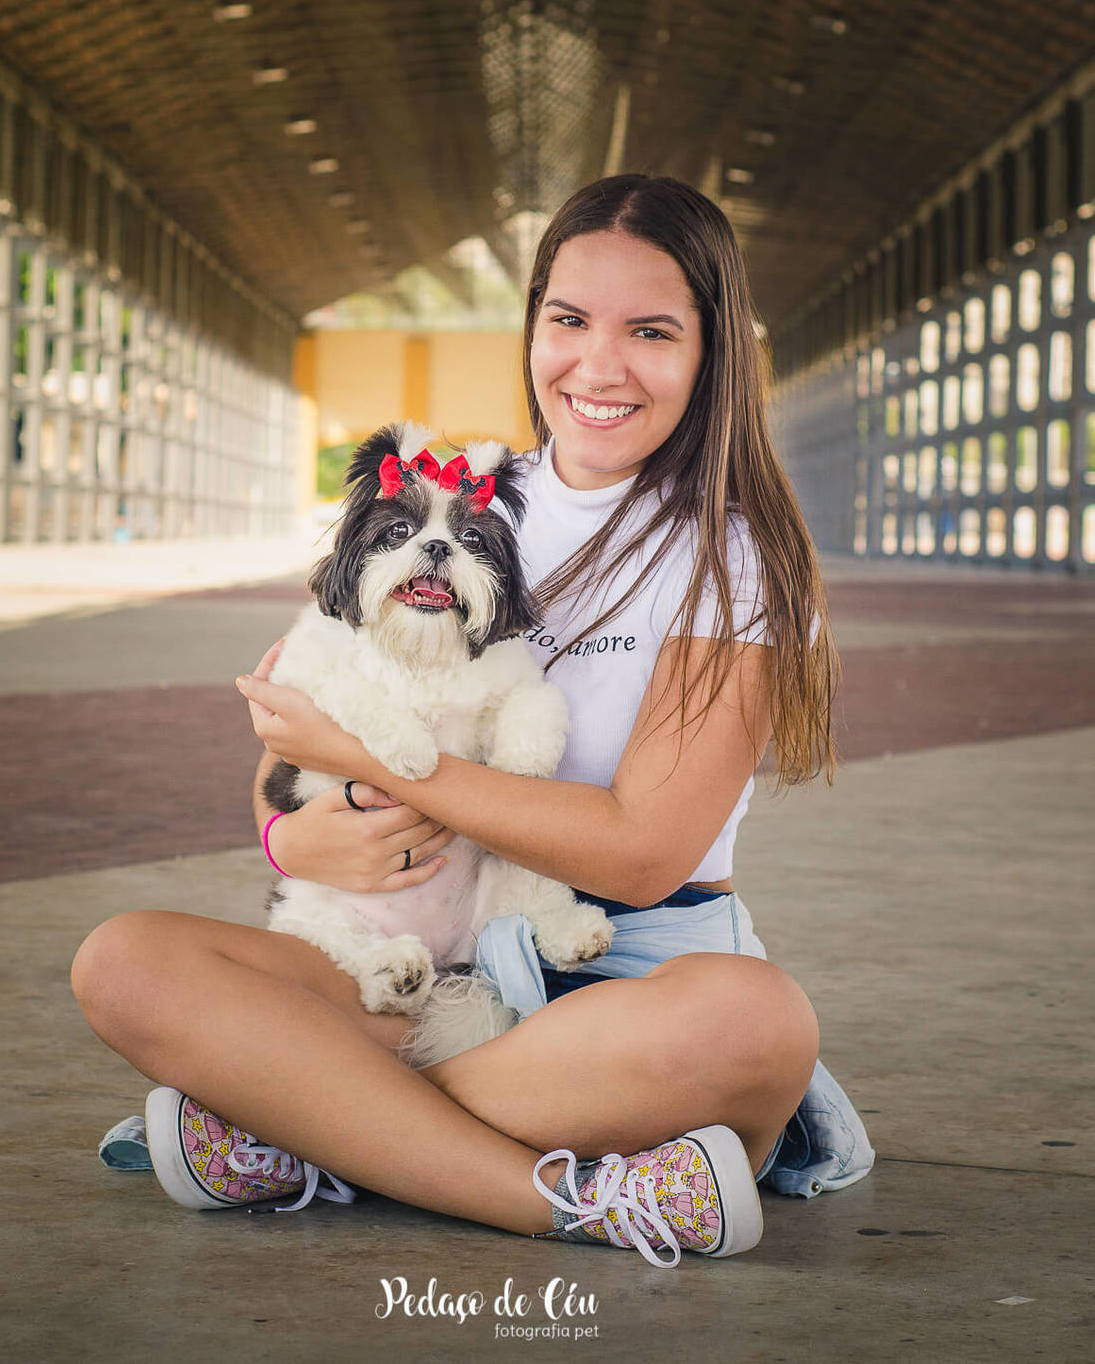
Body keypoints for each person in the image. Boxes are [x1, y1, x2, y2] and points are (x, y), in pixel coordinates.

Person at [72, 173, 841, 1267]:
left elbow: (642, 847)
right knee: (125, 960)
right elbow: (298, 733)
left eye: (652, 330)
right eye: (568, 319)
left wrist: (386, 764)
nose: (599, 363)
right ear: (531, 324)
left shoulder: (729, 551)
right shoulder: (459, 500)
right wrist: (296, 829)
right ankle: (575, 1192)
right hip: (421, 961)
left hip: (628, 975)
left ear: (714, 350)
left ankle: (314, 1128)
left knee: (758, 1023)